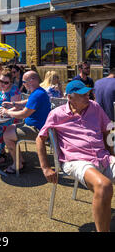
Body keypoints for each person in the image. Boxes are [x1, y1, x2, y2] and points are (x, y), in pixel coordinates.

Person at [36, 80, 115, 233]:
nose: (88, 97)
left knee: (104, 187)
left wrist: (112, 154)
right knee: (104, 186)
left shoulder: (95, 107)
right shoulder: (57, 114)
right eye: (83, 95)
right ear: (70, 98)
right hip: (76, 160)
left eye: (88, 94)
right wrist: (46, 168)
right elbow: (40, 138)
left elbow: (107, 130)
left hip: (102, 157)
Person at [1, 71, 51, 174]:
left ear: (32, 81)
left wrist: (7, 112)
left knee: (7, 135)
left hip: (38, 130)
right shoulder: (38, 92)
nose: (23, 84)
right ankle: (20, 160)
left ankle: (17, 165)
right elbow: (28, 101)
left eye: (24, 81)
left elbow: (24, 114)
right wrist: (13, 103)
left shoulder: (38, 94)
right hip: (36, 126)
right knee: (9, 128)